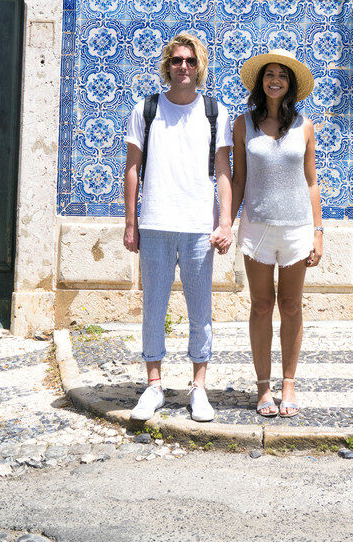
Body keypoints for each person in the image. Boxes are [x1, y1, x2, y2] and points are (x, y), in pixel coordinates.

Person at [123, 32, 233, 423]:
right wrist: (131, 222)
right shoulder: (147, 109)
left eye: (189, 60)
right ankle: (153, 385)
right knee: (153, 305)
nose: (182, 67)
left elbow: (223, 171)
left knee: (199, 308)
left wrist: (225, 222)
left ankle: (198, 388)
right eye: (176, 60)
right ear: (166, 65)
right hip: (155, 222)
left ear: (199, 66)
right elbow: (133, 167)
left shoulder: (214, 112)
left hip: (198, 226)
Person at [230, 48, 323, 418]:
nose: (275, 80)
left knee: (291, 306)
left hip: (298, 227)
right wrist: (225, 222)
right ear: (260, 82)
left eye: (282, 76)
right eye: (269, 75)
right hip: (257, 227)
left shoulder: (305, 127)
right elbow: (239, 180)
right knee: (260, 306)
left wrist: (318, 231)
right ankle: (263, 388)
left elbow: (312, 182)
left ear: (291, 85)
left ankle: (289, 384)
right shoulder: (243, 124)